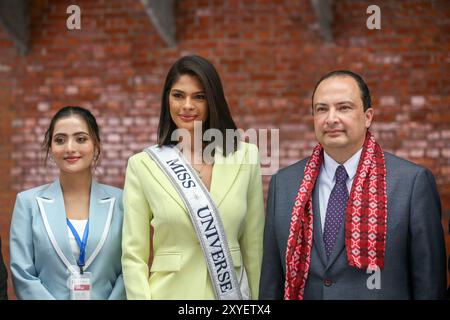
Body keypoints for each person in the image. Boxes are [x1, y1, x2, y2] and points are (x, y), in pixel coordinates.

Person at [260, 70, 447, 300]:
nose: (331, 119)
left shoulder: (411, 184)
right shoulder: (284, 185)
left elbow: (429, 286)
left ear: (368, 116)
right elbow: (271, 284)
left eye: (344, 107)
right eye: (321, 109)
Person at [122, 55, 265, 299]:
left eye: (199, 96)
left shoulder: (246, 156)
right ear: (167, 99)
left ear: (213, 101)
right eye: (178, 95)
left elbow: (254, 244)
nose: (187, 105)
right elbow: (133, 255)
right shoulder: (142, 165)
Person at [10, 106, 126, 300]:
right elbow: (23, 274)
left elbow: (131, 267)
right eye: (60, 140)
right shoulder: (27, 203)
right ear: (50, 147)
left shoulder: (122, 202)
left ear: (96, 145)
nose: (70, 148)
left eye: (81, 139)